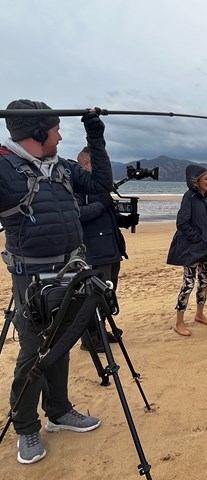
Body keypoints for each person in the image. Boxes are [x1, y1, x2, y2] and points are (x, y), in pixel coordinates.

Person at [0, 100, 112, 464]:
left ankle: (60, 412)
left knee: (62, 342)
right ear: (37, 133)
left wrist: (95, 135)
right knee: (34, 351)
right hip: (31, 278)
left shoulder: (61, 167)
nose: (61, 136)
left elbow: (101, 185)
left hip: (73, 270)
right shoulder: (2, 168)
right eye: (55, 130)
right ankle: (26, 427)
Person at [75, 146, 137, 353]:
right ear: (85, 163)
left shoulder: (99, 187)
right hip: (93, 251)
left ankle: (101, 330)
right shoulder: (77, 186)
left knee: (107, 294)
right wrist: (102, 203)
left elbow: (107, 217)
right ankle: (89, 338)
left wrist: (125, 221)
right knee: (93, 295)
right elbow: (77, 214)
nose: (103, 168)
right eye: (98, 163)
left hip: (111, 248)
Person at [166, 164, 207, 336]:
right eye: (206, 179)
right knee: (188, 284)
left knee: (204, 282)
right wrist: (197, 238)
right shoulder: (189, 197)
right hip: (192, 249)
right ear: (196, 180)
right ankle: (179, 322)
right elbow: (182, 223)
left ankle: (199, 314)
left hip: (206, 248)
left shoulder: (206, 197)